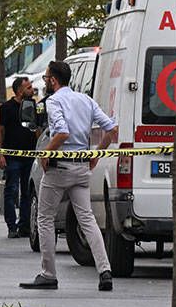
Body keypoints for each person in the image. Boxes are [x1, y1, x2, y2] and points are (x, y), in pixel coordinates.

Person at [20, 60, 118, 292]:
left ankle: (48, 274)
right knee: (87, 219)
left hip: (59, 168)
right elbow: (111, 129)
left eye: (46, 78)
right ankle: (105, 271)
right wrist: (96, 154)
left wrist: (46, 153)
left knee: (45, 218)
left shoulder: (54, 101)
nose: (46, 82)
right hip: (82, 167)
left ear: (54, 80)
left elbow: (62, 132)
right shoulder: (86, 100)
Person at [0, 76, 37, 239]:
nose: (32, 90)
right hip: (12, 156)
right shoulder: (7, 108)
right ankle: (12, 226)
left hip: (30, 156)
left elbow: (37, 129)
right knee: (11, 190)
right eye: (28, 87)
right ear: (19, 91)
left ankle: (24, 226)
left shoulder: (33, 106)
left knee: (27, 191)